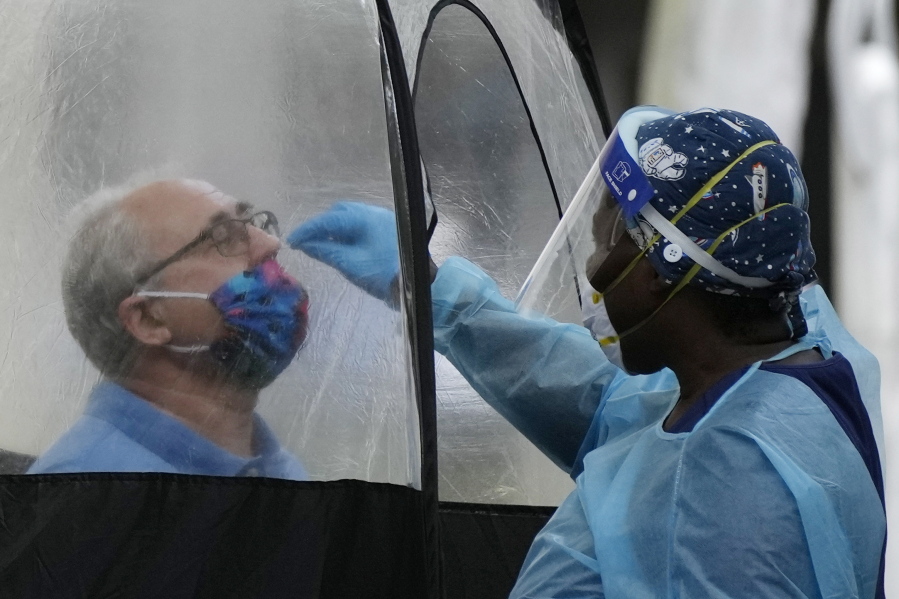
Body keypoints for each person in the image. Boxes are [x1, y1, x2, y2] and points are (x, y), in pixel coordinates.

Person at [290, 107, 886, 597]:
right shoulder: (768, 377)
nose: (596, 270)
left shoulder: (731, 487)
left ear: (659, 271)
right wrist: (433, 289)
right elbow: (610, 407)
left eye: (606, 239)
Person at [28, 179, 310, 479]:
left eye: (253, 223)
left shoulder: (279, 470)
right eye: (225, 237)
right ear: (148, 318)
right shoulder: (88, 493)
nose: (270, 243)